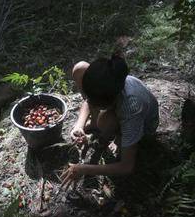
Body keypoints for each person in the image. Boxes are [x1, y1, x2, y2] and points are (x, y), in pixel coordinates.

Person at [61, 53, 159, 189]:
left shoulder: (131, 109)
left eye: (95, 103)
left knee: (104, 121)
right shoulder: (110, 80)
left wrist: (84, 169)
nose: (89, 103)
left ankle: (116, 136)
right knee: (81, 68)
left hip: (144, 128)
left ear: (108, 103)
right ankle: (97, 126)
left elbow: (126, 166)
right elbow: (89, 100)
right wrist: (79, 125)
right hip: (116, 106)